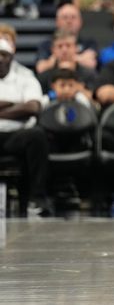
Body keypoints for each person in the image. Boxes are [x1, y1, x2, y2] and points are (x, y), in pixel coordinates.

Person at [0, 24, 51, 216]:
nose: (0, 59)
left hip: (16, 135)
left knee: (37, 136)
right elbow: (24, 107)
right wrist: (15, 106)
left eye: (4, 55)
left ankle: (36, 199)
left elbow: (33, 107)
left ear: (11, 56)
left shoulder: (25, 76)